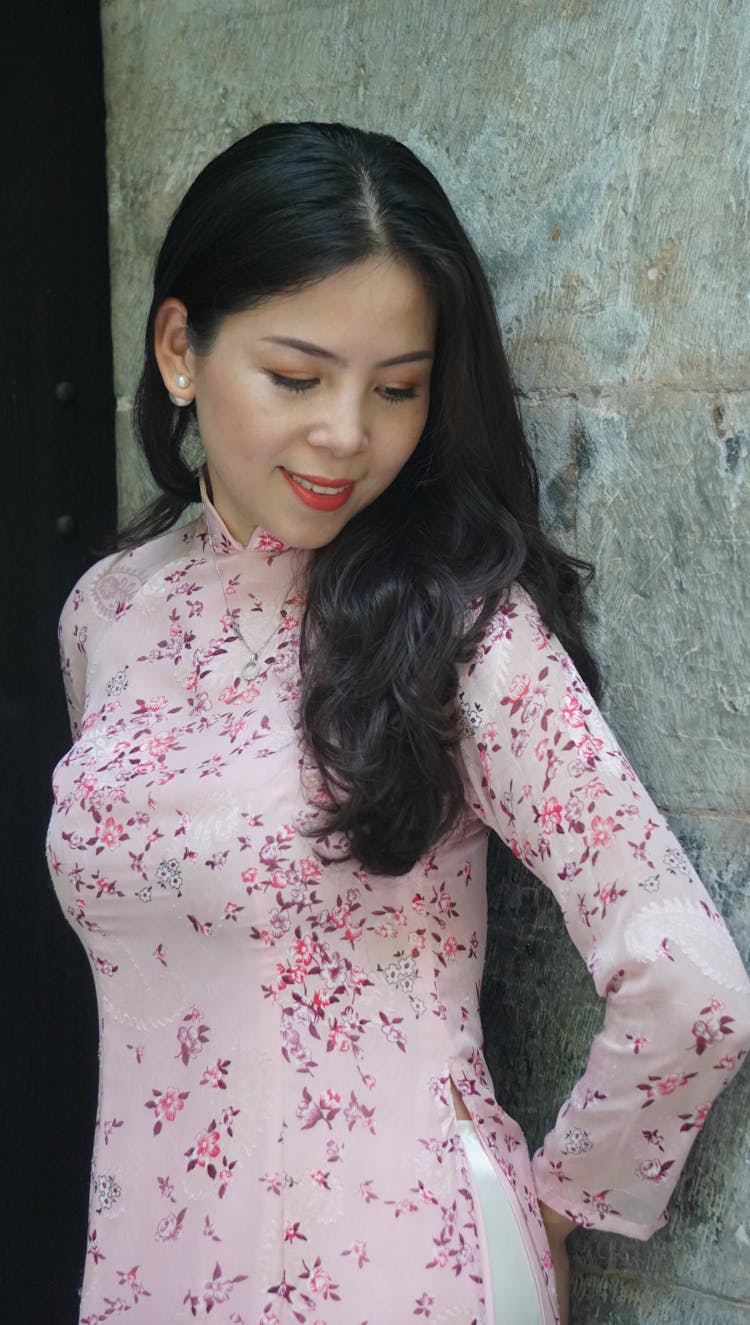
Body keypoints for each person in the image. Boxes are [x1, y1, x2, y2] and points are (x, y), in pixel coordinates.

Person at [47, 121, 750, 1325]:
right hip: (150, 1268)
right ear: (179, 347)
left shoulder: (462, 632)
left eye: (398, 389)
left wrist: (556, 1208)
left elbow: (693, 985)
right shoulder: (109, 613)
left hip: (402, 1268)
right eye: (296, 375)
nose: (346, 435)